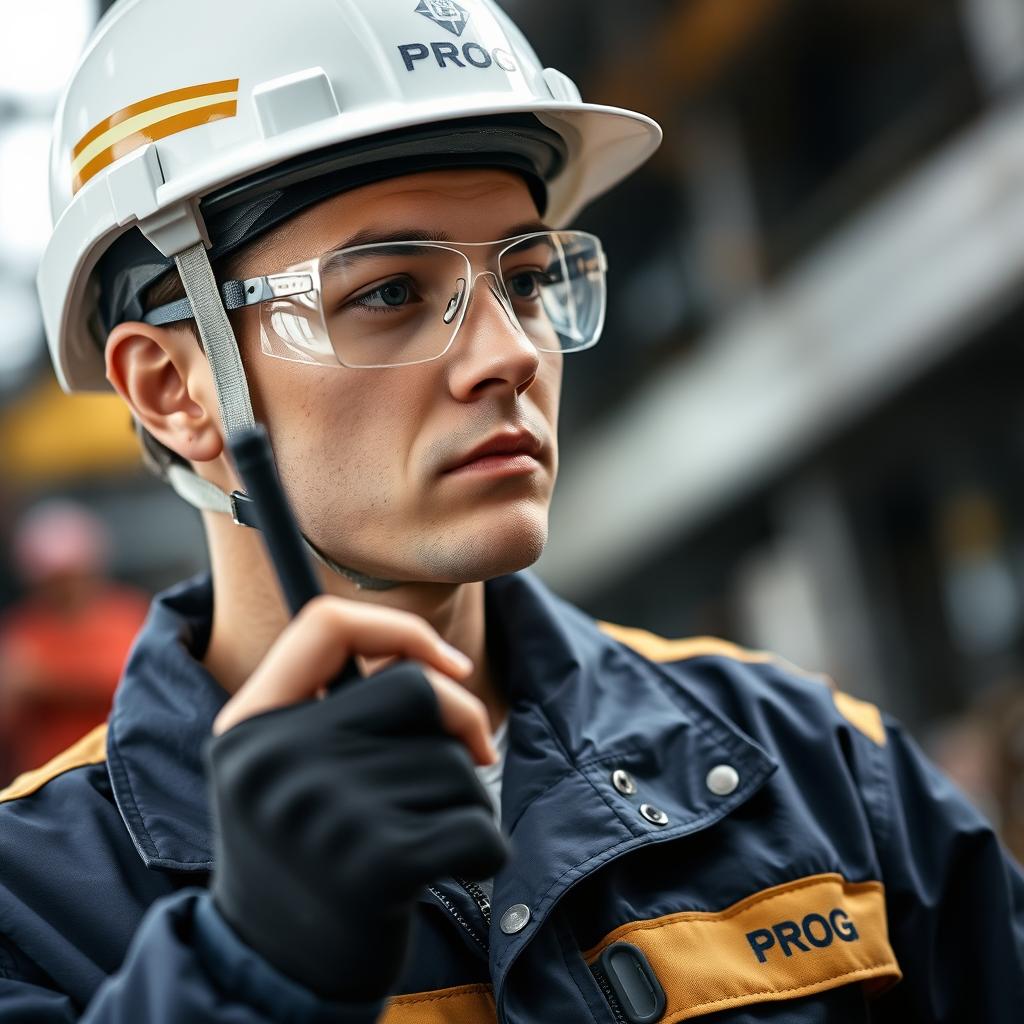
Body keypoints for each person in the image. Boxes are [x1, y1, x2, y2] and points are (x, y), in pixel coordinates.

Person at [1, 0, 1021, 1020]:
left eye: (528, 279)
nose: (513, 355)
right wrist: (242, 971)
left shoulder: (820, 770)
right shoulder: (33, 908)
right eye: (391, 292)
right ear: (176, 390)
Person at [0, 500, 149, 783]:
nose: (65, 588)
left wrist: (47, 682)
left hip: (119, 771)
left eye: (71, 575)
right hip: (49, 779)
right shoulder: (25, 628)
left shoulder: (124, 615)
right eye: (53, 579)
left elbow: (130, 682)